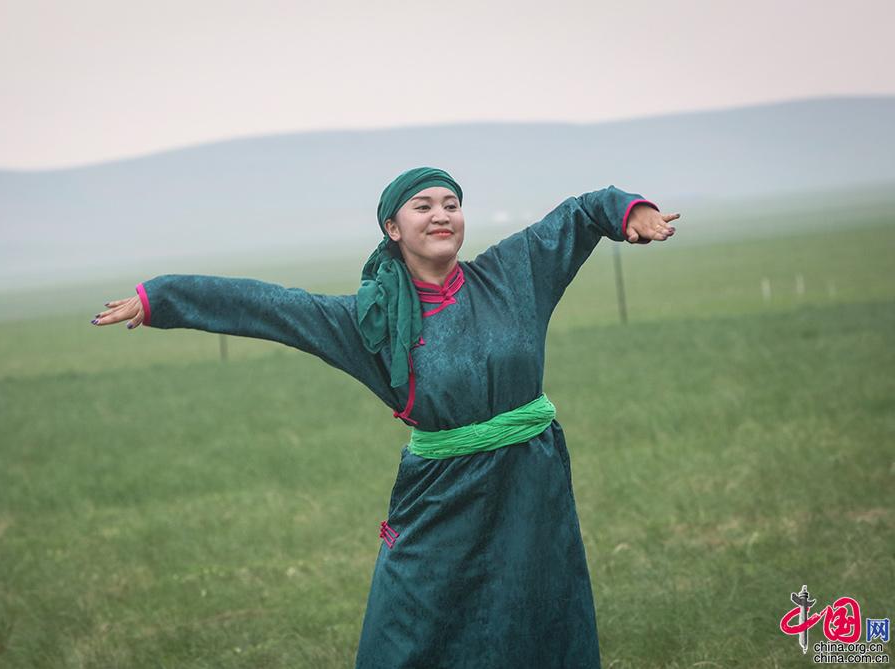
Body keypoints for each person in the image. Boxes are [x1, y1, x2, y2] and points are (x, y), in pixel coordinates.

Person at [90, 166, 679, 668]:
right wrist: (161, 298)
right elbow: (270, 307)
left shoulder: (510, 276)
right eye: (423, 206)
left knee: (537, 609)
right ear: (393, 229)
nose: (441, 214)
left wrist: (629, 213)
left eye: (451, 204)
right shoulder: (369, 323)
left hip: (530, 477)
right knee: (409, 627)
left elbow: (579, 214)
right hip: (441, 493)